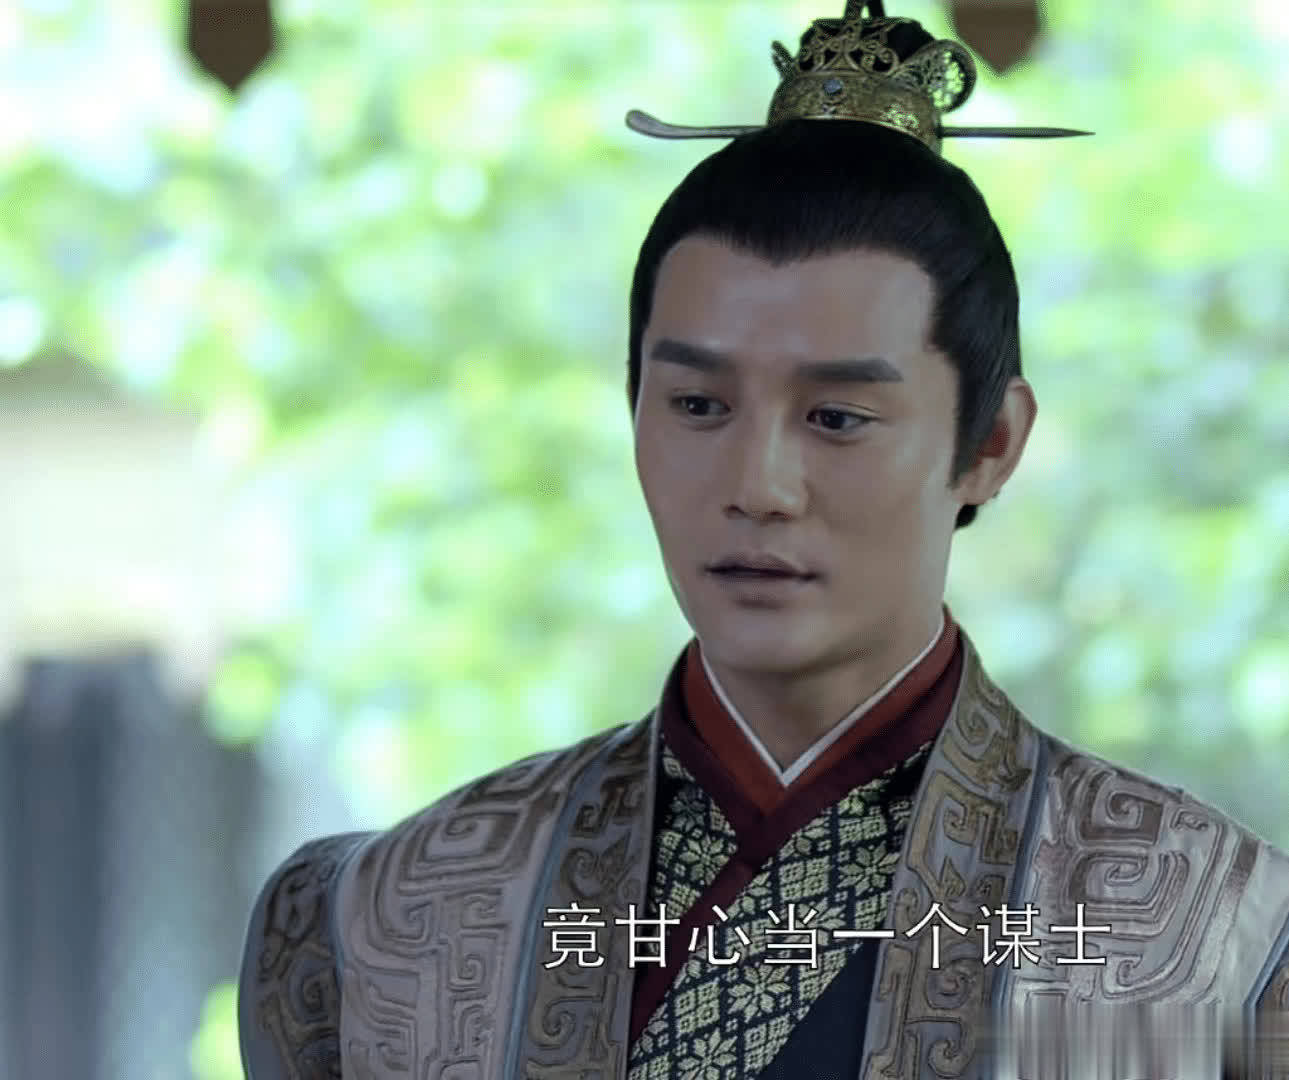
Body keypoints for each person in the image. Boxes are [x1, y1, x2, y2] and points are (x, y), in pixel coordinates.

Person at [238, 3, 1289, 1077]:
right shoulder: (384, 918)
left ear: (990, 443)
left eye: (836, 417)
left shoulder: (1228, 943)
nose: (757, 487)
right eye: (698, 406)